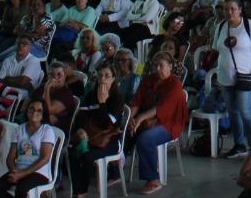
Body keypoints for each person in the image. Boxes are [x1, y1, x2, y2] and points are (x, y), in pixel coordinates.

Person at [214, 0, 251, 158]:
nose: (229, 12)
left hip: (245, 76)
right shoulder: (221, 27)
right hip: (226, 77)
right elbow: (218, 48)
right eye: (226, 9)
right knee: (233, 112)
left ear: (240, 10)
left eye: (233, 9)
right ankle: (239, 145)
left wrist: (250, 64)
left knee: (245, 111)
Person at [129, 52, 188, 194]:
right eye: (156, 65)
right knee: (123, 130)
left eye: (161, 66)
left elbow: (161, 109)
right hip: (148, 119)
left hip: (169, 123)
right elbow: (137, 101)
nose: (157, 69)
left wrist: (140, 119)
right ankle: (114, 171)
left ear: (170, 67)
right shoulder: (148, 80)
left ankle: (153, 179)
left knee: (146, 139)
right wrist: (131, 118)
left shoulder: (174, 85)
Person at [69, 63, 127, 198]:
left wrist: (102, 103)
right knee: (71, 152)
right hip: (90, 136)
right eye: (100, 75)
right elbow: (81, 116)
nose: (103, 78)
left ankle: (81, 192)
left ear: (113, 79)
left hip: (108, 140)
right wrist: (79, 130)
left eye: (107, 76)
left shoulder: (117, 99)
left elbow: (106, 125)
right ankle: (79, 192)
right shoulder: (91, 94)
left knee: (87, 156)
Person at [0, 99, 59, 198]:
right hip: (19, 170)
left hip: (39, 172)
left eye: (39, 110)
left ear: (43, 113)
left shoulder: (47, 130)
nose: (34, 113)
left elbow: (45, 158)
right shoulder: (19, 129)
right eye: (31, 109)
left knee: (21, 190)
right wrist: (14, 172)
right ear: (27, 111)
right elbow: (11, 157)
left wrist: (22, 174)